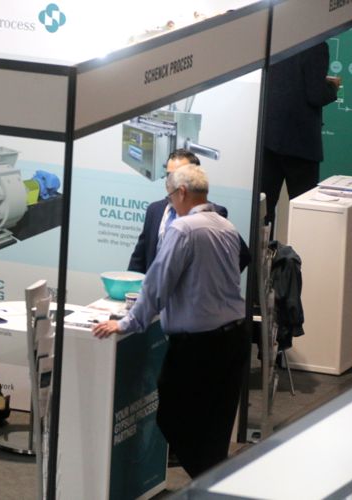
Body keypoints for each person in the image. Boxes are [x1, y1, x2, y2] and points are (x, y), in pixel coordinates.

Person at [93, 164, 250, 478]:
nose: (170, 204)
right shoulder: (226, 226)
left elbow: (157, 284)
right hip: (236, 337)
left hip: (200, 343)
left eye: (170, 197)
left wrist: (127, 323)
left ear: (181, 192)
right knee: (215, 424)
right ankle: (212, 484)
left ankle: (206, 483)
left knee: (173, 417)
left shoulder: (183, 229)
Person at [128, 149, 249, 273]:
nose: (172, 180)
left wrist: (213, 280)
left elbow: (242, 256)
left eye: (179, 175)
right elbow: (139, 260)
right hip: (156, 284)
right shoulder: (155, 210)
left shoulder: (212, 213)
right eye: (169, 175)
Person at [261, 41, 341, 231]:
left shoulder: (275, 40)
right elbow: (316, 95)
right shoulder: (316, 46)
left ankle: (261, 249)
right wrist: (332, 88)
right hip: (300, 141)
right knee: (304, 210)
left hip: (269, 136)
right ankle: (300, 250)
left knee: (264, 209)